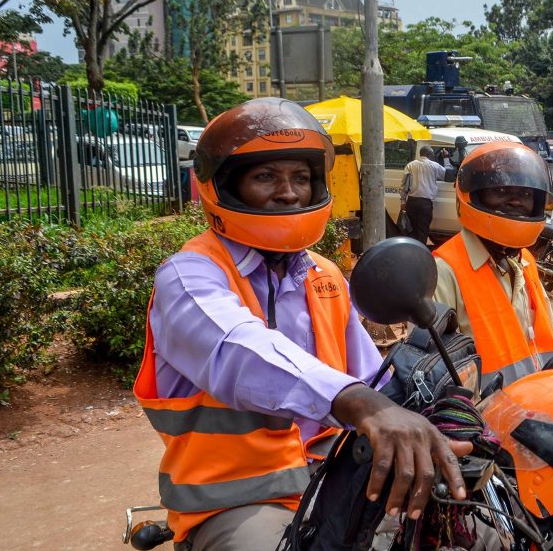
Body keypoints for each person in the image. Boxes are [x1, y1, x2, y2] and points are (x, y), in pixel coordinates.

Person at [134, 99, 468, 551]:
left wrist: (431, 409)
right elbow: (236, 348)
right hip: (239, 500)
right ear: (226, 186)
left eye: (301, 177)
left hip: (338, 474)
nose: (289, 192)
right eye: (266, 176)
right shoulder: (190, 275)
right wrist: (361, 404)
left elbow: (369, 377)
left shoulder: (323, 275)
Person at [432, 141, 553, 386]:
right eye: (501, 191)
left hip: (539, 405)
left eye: (525, 194)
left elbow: (549, 340)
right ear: (475, 196)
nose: (516, 202)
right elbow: (434, 368)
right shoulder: (443, 270)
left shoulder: (524, 261)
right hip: (479, 418)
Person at [401, 145, 446, 245]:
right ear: (428, 154)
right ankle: (420, 252)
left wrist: (403, 201)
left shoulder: (410, 165)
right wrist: (446, 159)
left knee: (411, 228)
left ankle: (411, 249)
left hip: (411, 202)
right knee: (423, 229)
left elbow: (404, 185)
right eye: (433, 154)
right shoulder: (434, 166)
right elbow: (448, 175)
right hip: (425, 203)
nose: (434, 156)